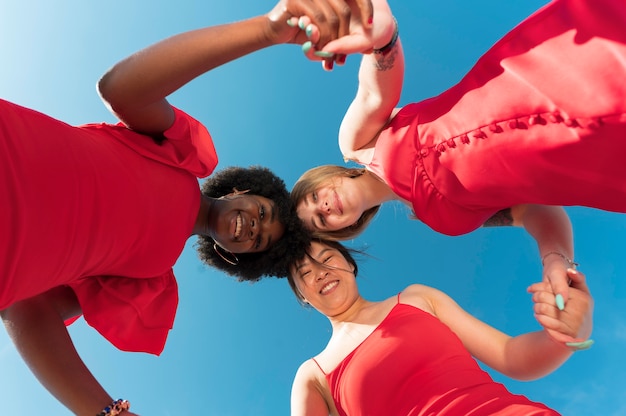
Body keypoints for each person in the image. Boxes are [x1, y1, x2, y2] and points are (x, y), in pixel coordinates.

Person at [0, 0, 377, 414]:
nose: (255, 228)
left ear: (232, 256)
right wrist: (266, 30)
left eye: (259, 242)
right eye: (264, 213)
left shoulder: (150, 278)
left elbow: (28, 308)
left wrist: (103, 412)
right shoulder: (181, 157)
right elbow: (120, 89)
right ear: (241, 190)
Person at [291, 0, 626, 313]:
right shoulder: (440, 219)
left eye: (314, 196)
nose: (323, 206)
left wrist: (381, 36)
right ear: (348, 228)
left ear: (329, 175)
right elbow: (535, 211)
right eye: (321, 220)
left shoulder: (359, 144)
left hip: (545, 79)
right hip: (591, 164)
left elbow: (373, 91)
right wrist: (556, 259)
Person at [287, 239, 594, 415]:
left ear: (349, 264)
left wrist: (564, 335)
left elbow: (510, 355)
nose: (321, 273)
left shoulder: (417, 297)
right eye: (305, 273)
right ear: (302, 295)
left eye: (327, 258)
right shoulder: (313, 375)